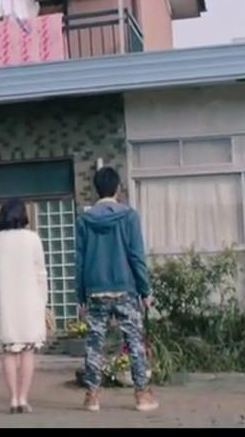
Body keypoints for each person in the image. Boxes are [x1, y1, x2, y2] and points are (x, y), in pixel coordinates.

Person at [75, 166, 159, 412]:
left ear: (96, 190)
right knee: (134, 341)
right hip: (125, 288)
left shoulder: (84, 220)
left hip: (95, 289)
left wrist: (80, 296)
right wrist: (145, 291)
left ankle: (92, 396)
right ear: (118, 189)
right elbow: (136, 257)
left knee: (95, 343)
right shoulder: (129, 217)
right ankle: (141, 395)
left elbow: (79, 261)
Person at [0, 198, 52, 414]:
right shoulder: (33, 239)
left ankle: (13, 399)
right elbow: (41, 273)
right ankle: (23, 398)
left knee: (8, 352)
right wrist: (43, 302)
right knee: (27, 352)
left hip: (4, 302)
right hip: (30, 302)